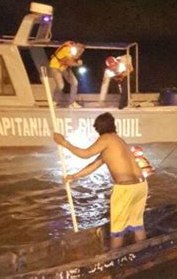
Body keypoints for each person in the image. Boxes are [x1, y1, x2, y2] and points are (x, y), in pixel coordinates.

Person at [54, 112, 148, 249]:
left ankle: (114, 259)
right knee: (137, 223)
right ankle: (144, 249)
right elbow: (95, 164)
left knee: (117, 228)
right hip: (141, 185)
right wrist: (74, 176)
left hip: (125, 188)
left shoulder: (106, 138)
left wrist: (64, 143)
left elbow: (85, 154)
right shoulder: (118, 141)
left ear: (99, 129)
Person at [49, 41, 85, 108]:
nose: (80, 50)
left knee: (74, 82)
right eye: (79, 47)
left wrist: (77, 59)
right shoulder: (67, 49)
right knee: (60, 85)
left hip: (64, 67)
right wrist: (77, 64)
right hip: (55, 66)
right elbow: (67, 61)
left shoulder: (76, 52)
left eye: (82, 49)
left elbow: (72, 61)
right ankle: (54, 102)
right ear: (76, 44)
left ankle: (72, 103)